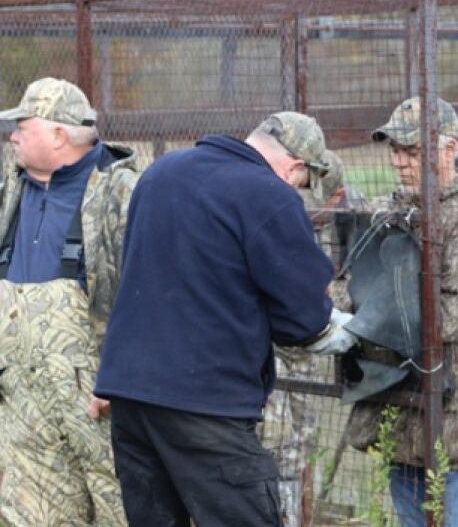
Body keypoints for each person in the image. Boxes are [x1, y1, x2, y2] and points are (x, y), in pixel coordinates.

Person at [93, 119, 345, 526]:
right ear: (293, 167)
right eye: (301, 183)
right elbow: (304, 320)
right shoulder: (269, 195)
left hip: (130, 395)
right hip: (205, 402)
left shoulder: (161, 173)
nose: (296, 191)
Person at [345, 96, 458, 527]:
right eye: (396, 151)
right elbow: (349, 287)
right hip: (398, 400)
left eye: (413, 151)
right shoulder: (389, 210)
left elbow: (449, 313)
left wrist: (368, 318)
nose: (400, 162)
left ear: (450, 149)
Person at [0, 77, 137, 525]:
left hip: (99, 394)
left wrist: (122, 375)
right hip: (22, 393)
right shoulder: (10, 187)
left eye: (23, 125)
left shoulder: (122, 194)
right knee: (30, 513)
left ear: (59, 134)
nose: (13, 135)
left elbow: (148, 295)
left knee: (124, 505)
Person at [252, 111, 352, 527]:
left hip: (307, 349)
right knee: (269, 444)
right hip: (274, 352)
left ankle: (292, 515)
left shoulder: (341, 220)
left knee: (297, 445)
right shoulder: (279, 208)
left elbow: (341, 283)